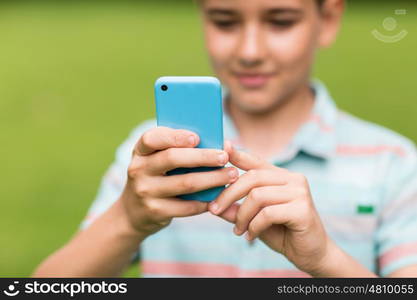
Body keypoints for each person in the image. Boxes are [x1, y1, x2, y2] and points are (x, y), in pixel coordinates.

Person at [33, 0, 417, 277]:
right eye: (224, 21)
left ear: (328, 19)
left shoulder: (392, 164)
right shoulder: (155, 156)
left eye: (281, 21)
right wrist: (129, 220)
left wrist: (325, 260)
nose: (249, 51)